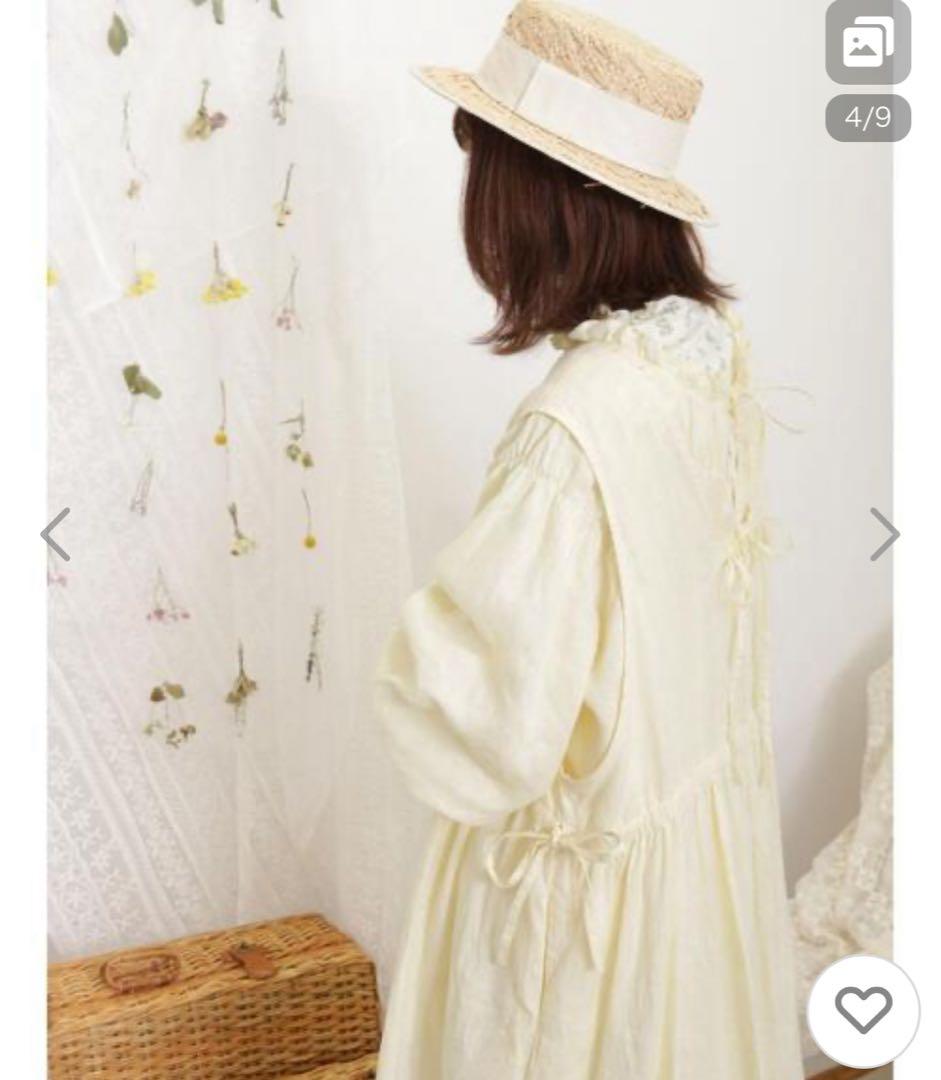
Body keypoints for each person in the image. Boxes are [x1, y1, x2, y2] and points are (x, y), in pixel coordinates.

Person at [374, 2, 804, 1076]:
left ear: (537, 199)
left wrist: (398, 645)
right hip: (689, 881)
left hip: (579, 922)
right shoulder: (702, 363)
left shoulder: (573, 427)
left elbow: (490, 724)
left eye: (486, 175)